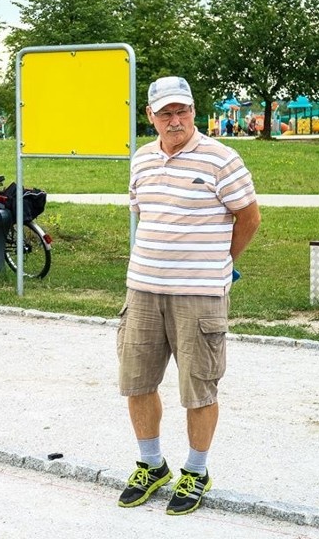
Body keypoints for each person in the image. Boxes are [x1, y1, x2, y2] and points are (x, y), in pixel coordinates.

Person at [116, 76, 261, 516]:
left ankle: (196, 471)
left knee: (199, 387)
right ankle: (151, 463)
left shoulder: (223, 159)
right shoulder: (141, 159)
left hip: (199, 295)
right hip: (142, 289)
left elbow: (249, 219)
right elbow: (143, 214)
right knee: (137, 383)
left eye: (182, 111)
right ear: (150, 117)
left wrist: (222, 261)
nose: (175, 120)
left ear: (194, 112)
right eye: (165, 113)